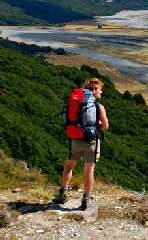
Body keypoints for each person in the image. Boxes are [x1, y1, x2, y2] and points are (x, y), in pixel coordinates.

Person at [52, 78, 109, 209]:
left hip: (75, 140)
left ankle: (62, 194)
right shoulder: (98, 106)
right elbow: (105, 126)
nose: (100, 92)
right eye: (99, 89)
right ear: (94, 90)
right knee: (89, 172)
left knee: (68, 167)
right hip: (91, 142)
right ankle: (85, 200)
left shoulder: (76, 103)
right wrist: (96, 124)